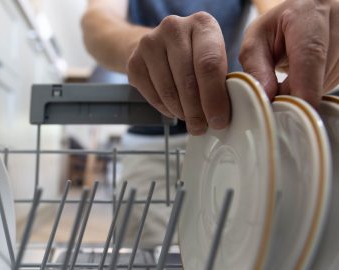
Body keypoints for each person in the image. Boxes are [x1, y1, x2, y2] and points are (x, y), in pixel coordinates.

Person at [81, 0, 339, 247]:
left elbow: (276, 8)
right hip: (151, 146)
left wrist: (297, 24)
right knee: (146, 256)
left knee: (237, 252)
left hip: (231, 142)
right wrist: (141, 48)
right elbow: (97, 21)